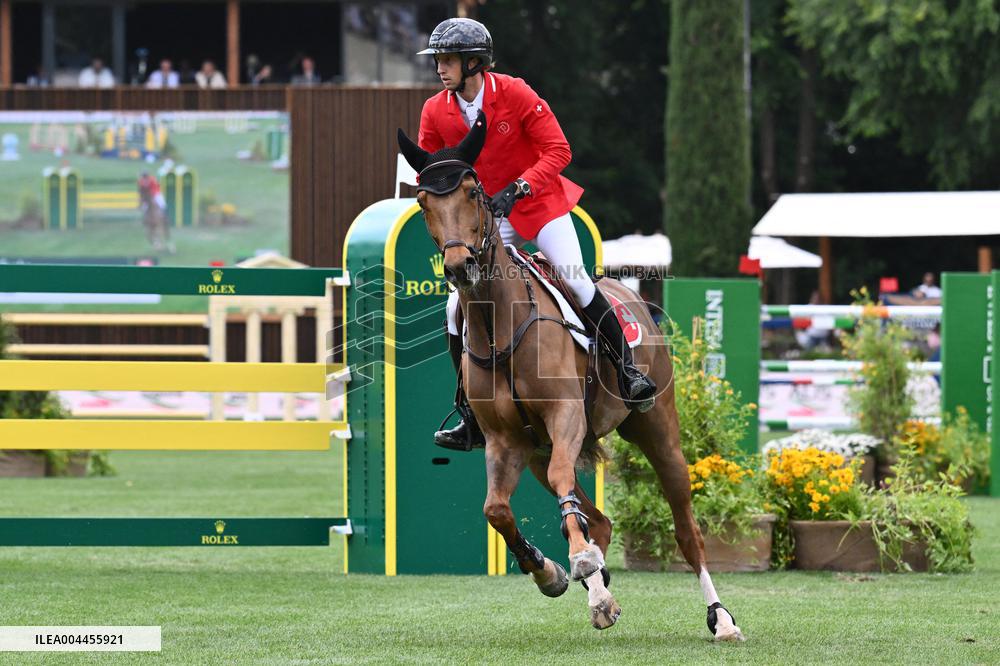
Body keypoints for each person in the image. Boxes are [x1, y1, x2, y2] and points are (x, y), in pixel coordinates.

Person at [415, 18, 656, 451]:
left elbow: (559, 150)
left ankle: (627, 371)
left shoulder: (515, 93)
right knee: (454, 307)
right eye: (438, 60)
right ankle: (469, 409)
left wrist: (519, 187)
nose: (439, 68)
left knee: (577, 281)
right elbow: (432, 172)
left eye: (447, 59)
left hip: (537, 204)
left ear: (474, 62)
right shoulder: (435, 111)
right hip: (483, 220)